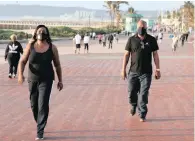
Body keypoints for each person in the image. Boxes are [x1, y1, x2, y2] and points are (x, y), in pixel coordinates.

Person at [18, 25, 63, 140]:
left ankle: (40, 131)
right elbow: (22, 61)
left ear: (47, 34)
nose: (41, 33)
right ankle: (40, 121)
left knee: (42, 103)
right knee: (34, 105)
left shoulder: (52, 48)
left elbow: (57, 65)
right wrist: (20, 75)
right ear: (35, 33)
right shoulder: (30, 46)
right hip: (32, 79)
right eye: (39, 31)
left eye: (43, 31)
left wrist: (60, 80)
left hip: (47, 79)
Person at [121, 20, 161, 122]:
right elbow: (126, 55)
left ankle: (142, 114)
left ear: (146, 27)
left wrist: (158, 69)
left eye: (143, 27)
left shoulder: (151, 39)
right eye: (139, 27)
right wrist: (123, 69)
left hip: (146, 73)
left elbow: (155, 55)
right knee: (131, 92)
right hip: (133, 72)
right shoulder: (131, 40)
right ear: (137, 27)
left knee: (143, 94)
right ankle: (133, 105)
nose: (141, 29)